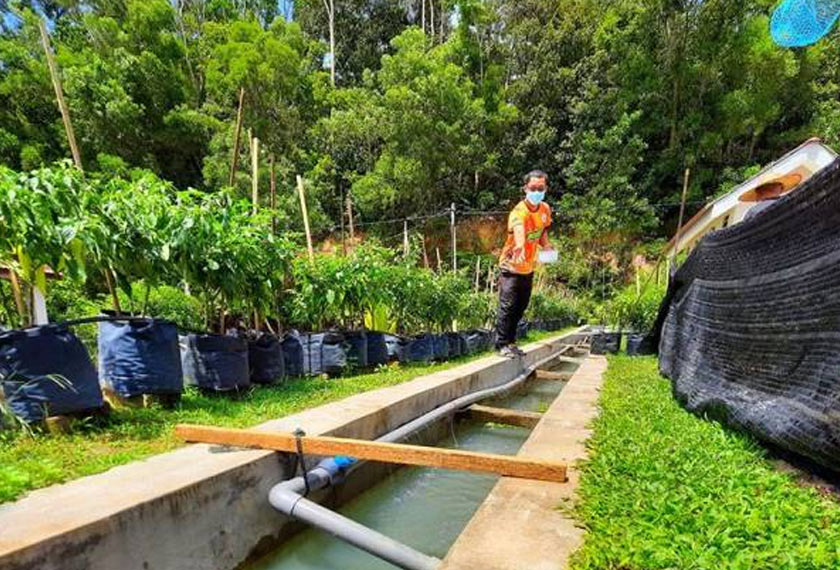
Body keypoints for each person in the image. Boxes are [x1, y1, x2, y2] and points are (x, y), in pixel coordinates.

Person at [495, 170, 555, 358]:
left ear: (545, 188)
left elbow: (542, 231)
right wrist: (520, 246)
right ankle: (502, 344)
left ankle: (511, 342)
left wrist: (546, 246)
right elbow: (519, 230)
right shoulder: (518, 212)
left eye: (541, 188)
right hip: (511, 265)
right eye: (533, 188)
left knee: (521, 306)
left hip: (528, 267)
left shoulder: (545, 209)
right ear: (525, 189)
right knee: (508, 305)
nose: (537, 191)